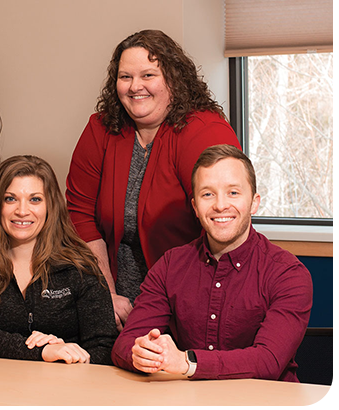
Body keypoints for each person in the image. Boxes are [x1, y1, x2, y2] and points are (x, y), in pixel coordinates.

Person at [66, 29, 241, 331]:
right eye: (125, 77)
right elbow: (80, 213)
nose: (135, 87)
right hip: (116, 300)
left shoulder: (206, 131)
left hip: (194, 300)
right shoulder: (101, 129)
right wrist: (105, 293)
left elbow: (224, 219)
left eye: (148, 75)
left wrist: (166, 308)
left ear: (173, 78)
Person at [111, 144, 313, 381]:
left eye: (233, 193)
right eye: (208, 194)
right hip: (190, 401)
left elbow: (268, 360)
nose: (220, 205)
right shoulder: (170, 266)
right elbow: (125, 344)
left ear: (254, 202)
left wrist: (188, 362)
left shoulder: (288, 274)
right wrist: (143, 353)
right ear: (195, 207)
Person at [0, 155, 118, 365]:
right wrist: (42, 351)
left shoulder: (80, 268)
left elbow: (103, 345)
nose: (22, 211)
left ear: (50, 206)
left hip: (68, 388)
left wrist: (67, 358)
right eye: (10, 198)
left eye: (35, 199)